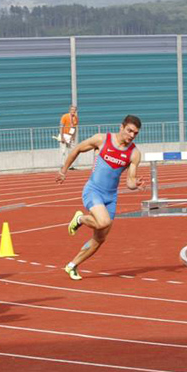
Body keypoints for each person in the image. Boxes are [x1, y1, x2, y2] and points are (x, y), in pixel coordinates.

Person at [56, 115, 143, 280]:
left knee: (100, 238)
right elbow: (77, 149)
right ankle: (80, 219)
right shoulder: (102, 139)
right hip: (93, 190)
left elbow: (130, 182)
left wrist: (135, 184)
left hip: (111, 197)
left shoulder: (134, 153)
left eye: (135, 133)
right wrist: (63, 170)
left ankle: (72, 265)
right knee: (104, 222)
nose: (131, 135)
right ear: (121, 127)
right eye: (129, 131)